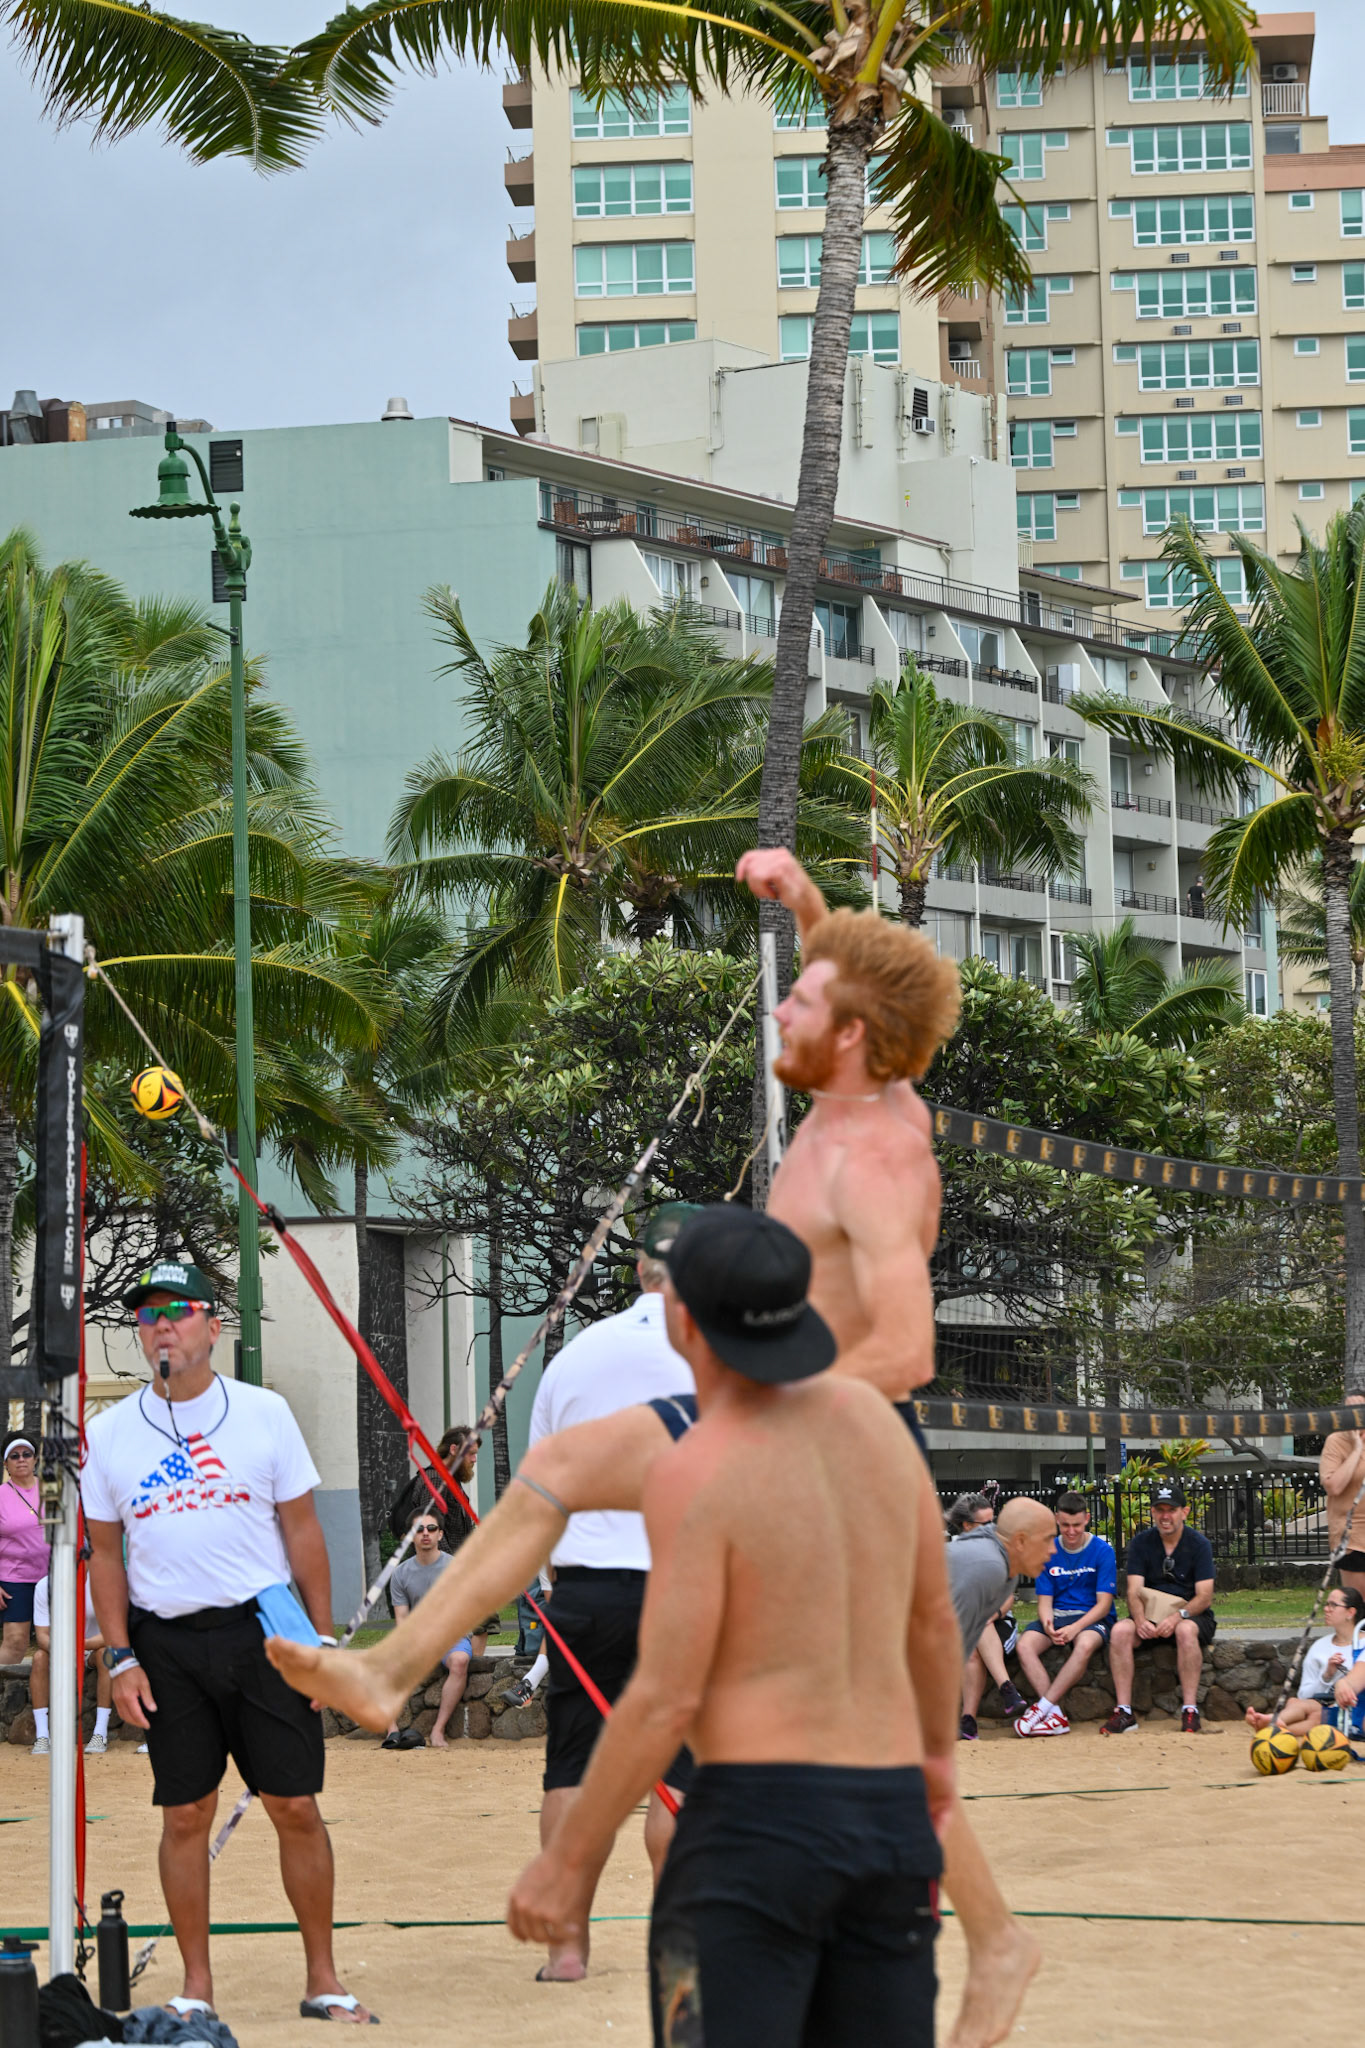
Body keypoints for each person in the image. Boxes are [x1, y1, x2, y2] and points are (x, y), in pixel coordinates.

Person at [276, 851, 1037, 2047]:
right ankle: (394, 1664)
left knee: (621, 1521)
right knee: (593, 1486)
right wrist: (799, 906)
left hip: (816, 1412)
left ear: (845, 1032)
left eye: (796, 998)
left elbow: (907, 1334)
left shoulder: (876, 1159)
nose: (778, 1007)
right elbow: (867, 985)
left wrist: (794, 1397)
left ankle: (396, 1667)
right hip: (793, 1405)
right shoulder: (862, 1089)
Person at [506, 1206, 959, 2048]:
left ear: (682, 1316)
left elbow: (664, 1698)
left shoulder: (695, 1463)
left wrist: (565, 1866)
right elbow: (932, 1627)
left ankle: (573, 1935)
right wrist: (933, 1772)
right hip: (883, 1821)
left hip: (748, 1835)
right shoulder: (885, 1428)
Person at [83, 1259, 375, 2027]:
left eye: (178, 1311)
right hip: (165, 1642)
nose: (162, 1326)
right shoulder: (107, 1433)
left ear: (214, 1326)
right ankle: (196, 1985)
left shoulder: (263, 1413)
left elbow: (302, 1531)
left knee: (295, 1806)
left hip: (262, 1633)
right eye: (148, 1316)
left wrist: (320, 1641)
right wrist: (120, 1656)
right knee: (185, 1814)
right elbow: (104, 1556)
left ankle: (324, 1978)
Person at [523, 1202, 700, 1981]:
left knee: (573, 1770)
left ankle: (568, 1946)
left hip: (585, 1595)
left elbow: (538, 1492)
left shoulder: (574, 1357)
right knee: (684, 1772)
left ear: (638, 1269)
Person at [1102, 1480, 1216, 1736]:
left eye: (1171, 1510)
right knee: (1120, 1631)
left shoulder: (1199, 1545)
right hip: (1150, 1615)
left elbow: (1204, 1596)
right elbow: (1133, 1590)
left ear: (1184, 1512)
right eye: (1160, 1510)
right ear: (1153, 1512)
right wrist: (1140, 1619)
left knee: (1186, 1631)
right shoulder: (1141, 1543)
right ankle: (1124, 1711)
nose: (1165, 1516)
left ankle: (1189, 1709)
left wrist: (1178, 1617)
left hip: (1189, 1615)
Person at [1015, 1492, 1118, 1737]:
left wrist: (1075, 1628)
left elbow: (1104, 1605)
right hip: (1058, 1616)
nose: (1071, 1532)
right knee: (1024, 1645)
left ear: (1087, 1519)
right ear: (1056, 1520)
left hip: (1092, 1619)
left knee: (1084, 1645)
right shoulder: (1046, 1551)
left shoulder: (1103, 1551)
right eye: (1064, 1526)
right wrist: (1048, 1623)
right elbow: (1044, 1602)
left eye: (1077, 1525)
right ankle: (1056, 1715)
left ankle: (1042, 1708)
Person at [952, 1502, 1057, 1738]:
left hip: (999, 1623)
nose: (993, 1528)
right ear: (968, 1526)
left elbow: (1008, 1598)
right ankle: (1004, 1693)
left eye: (994, 1522)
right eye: (986, 1523)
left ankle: (975, 1715)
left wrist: (990, 1614)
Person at [380, 1514, 471, 1750]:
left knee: (460, 1661)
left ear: (441, 1534)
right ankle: (392, 1730)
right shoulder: (400, 1574)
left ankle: (438, 1730)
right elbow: (402, 1618)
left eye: (432, 1528)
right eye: (419, 1529)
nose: (426, 1533)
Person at [1246, 1587, 1365, 1736]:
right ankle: (1275, 1723)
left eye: (1333, 1605)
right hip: (1321, 1705)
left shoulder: (1363, 1646)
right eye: (1326, 1605)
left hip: (1352, 1708)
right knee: (1297, 1703)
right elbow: (1304, 1694)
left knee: (1317, 1715)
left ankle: (1273, 1729)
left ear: (1350, 1612)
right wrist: (1326, 1676)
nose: (1327, 1609)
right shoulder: (1320, 1647)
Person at [30, 1569, 112, 1756]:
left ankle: (100, 1733)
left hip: (92, 1648)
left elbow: (111, 1634)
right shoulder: (45, 1585)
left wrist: (79, 1645)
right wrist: (64, 1649)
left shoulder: (104, 1582)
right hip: (60, 1650)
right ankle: (42, 1736)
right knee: (39, 1658)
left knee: (106, 1654)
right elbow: (42, 1637)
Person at [0, 1435, 49, 1666]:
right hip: (15, 1580)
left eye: (26, 1454)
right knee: (16, 1642)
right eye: (14, 1456)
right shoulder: (1, 1496)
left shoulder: (53, 1489)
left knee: (58, 1640)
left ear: (35, 1459)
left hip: (54, 1577)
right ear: (6, 1464)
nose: (21, 1460)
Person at [1319, 1418, 1365, 1601]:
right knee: (1358, 1610)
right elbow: (1334, 1486)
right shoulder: (1337, 1441)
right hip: (1353, 1538)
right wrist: (1356, 1450)